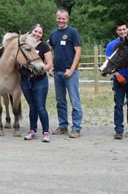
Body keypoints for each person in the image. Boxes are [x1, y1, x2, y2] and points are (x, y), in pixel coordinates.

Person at [47, 9, 84, 138]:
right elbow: (50, 51)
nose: (61, 20)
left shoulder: (73, 32)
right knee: (60, 101)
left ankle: (76, 127)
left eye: (64, 18)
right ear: (56, 18)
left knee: (74, 100)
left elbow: (78, 52)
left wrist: (72, 69)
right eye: (59, 18)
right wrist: (51, 66)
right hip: (58, 73)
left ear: (67, 19)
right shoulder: (53, 34)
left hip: (70, 73)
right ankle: (63, 126)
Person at [105, 21, 128, 140]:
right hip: (119, 80)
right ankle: (119, 130)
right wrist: (117, 75)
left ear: (127, 29)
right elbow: (109, 63)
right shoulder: (111, 45)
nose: (122, 32)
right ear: (116, 31)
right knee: (119, 105)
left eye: (124, 29)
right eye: (120, 30)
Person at [21, 24, 54, 143]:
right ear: (31, 31)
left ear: (42, 35)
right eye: (35, 31)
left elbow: (49, 63)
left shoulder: (44, 46)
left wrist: (41, 70)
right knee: (32, 106)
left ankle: (46, 132)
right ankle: (32, 130)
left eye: (40, 33)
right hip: (25, 79)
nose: (37, 34)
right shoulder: (24, 45)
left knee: (40, 106)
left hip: (39, 80)